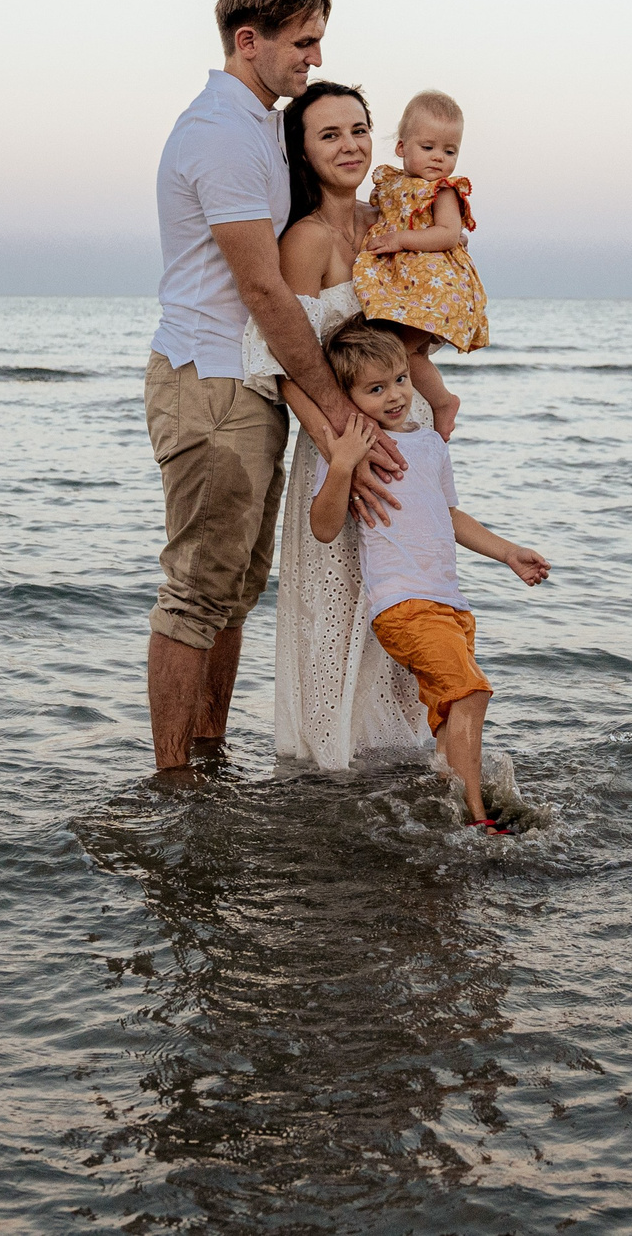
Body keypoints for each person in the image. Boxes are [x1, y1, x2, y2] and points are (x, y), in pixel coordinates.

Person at [143, 0, 396, 773]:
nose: (315, 58)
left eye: (319, 41)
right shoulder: (219, 134)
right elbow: (263, 290)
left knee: (235, 590)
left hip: (245, 388)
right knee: (195, 594)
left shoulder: (258, 126)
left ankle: (208, 761)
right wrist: (335, 414)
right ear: (249, 40)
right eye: (304, 42)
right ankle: (174, 785)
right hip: (210, 383)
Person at [238, 81, 436, 768]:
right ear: (303, 151)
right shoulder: (306, 239)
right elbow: (282, 356)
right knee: (336, 620)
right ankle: (327, 775)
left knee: (401, 613)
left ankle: (398, 769)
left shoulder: (386, 227)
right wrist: (339, 450)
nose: (349, 144)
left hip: (398, 445)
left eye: (358, 129)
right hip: (339, 455)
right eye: (329, 134)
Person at [307, 317, 548, 831]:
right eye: (374, 389)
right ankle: (475, 819)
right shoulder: (360, 449)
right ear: (349, 397)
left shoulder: (431, 446)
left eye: (399, 379)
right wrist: (343, 466)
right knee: (470, 693)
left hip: (451, 603)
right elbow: (324, 526)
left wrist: (507, 553)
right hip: (403, 604)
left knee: (448, 714)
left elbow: (450, 515)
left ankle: (442, 804)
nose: (394, 396)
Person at [353, 88, 488, 441]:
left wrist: (401, 239)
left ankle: (443, 401)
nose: (438, 158)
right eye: (427, 148)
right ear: (402, 147)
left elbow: (445, 234)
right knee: (391, 347)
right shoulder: (393, 184)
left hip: (435, 289)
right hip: (408, 285)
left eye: (449, 150)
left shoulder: (443, 190)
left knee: (400, 351)